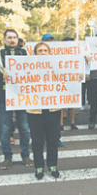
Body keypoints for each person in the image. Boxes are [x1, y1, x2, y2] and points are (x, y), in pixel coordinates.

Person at [0, 29, 32, 169]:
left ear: (17, 39)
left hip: (21, 95)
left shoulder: (24, 52)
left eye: (14, 37)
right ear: (4, 39)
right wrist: (5, 72)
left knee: (24, 128)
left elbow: (31, 67)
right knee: (5, 129)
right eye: (9, 37)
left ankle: (25, 155)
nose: (12, 40)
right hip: (4, 96)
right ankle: (7, 157)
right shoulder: (0, 52)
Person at [27, 42, 61, 179]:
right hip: (34, 110)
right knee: (37, 140)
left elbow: (69, 78)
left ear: (49, 53)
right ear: (35, 53)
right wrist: (8, 76)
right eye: (39, 50)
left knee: (53, 139)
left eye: (45, 50)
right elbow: (16, 80)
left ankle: (53, 165)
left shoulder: (57, 67)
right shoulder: (27, 68)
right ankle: (39, 167)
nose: (42, 53)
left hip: (53, 109)